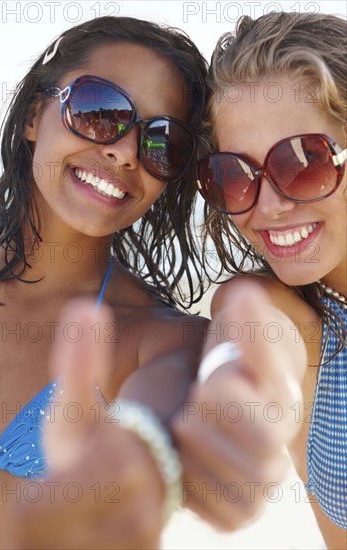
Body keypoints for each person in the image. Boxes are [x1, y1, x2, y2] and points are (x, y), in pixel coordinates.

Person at [0, 15, 305, 549]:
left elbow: (182, 386)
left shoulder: (158, 338)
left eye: (163, 142)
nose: (126, 152)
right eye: (99, 112)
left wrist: (148, 446)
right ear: (35, 115)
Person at [196, 11, 346, 549]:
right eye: (235, 175)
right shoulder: (299, 325)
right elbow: (252, 329)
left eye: (304, 162)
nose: (270, 206)